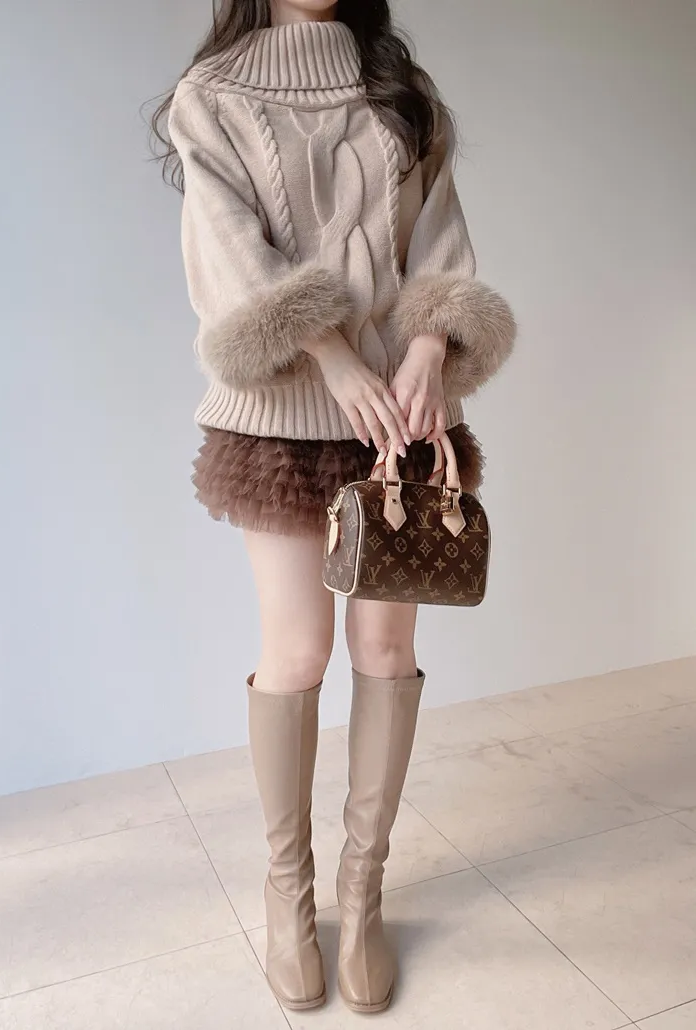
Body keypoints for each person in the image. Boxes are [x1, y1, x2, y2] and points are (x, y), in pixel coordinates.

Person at [152, 0, 515, 1014]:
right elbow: (229, 255)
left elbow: (439, 246)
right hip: (282, 412)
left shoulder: (400, 94)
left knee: (387, 653)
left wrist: (432, 346)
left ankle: (361, 896)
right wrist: (334, 355)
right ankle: (289, 894)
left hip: (401, 416)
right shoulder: (212, 96)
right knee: (299, 652)